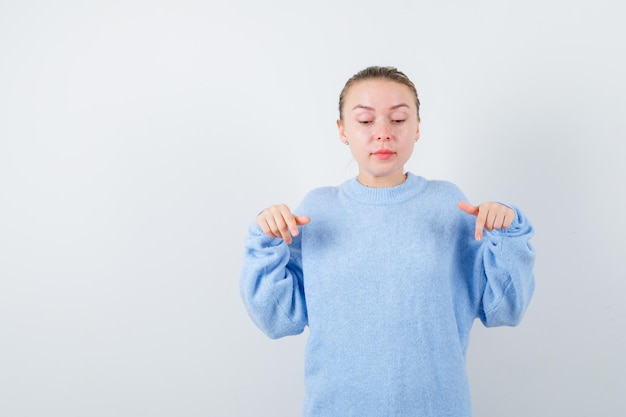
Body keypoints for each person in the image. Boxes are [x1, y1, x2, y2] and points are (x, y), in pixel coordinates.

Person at [240, 66, 535, 417]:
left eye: (397, 119)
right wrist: (265, 242)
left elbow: (504, 309)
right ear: (342, 131)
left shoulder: (449, 205)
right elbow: (276, 319)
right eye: (365, 121)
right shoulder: (317, 210)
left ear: (417, 128)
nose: (382, 134)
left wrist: (509, 233)